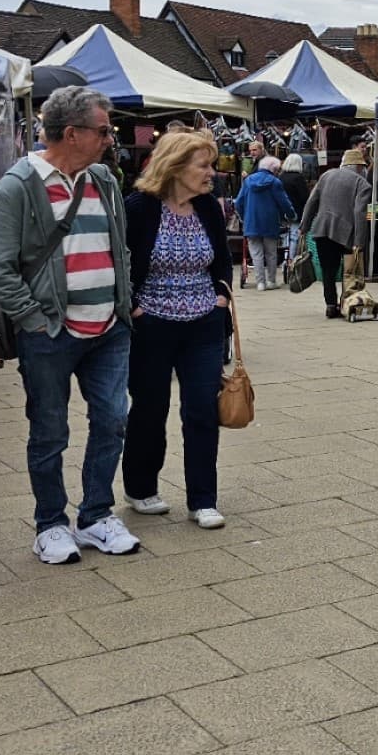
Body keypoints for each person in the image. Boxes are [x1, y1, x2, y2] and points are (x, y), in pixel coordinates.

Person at [0, 85, 143, 565]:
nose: (109, 138)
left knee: (113, 421)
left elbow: (121, 248)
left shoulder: (104, 181)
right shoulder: (18, 185)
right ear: (72, 133)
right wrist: (34, 320)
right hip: (52, 333)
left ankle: (95, 515)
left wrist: (124, 300)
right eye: (102, 130)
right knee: (50, 431)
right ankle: (50, 523)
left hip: (108, 329)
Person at [122, 131, 234, 529]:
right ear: (175, 165)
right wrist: (133, 306)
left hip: (203, 322)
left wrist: (221, 296)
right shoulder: (139, 207)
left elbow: (222, 259)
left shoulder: (208, 208)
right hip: (152, 322)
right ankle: (141, 487)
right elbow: (123, 261)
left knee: (202, 410)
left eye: (211, 165)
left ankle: (203, 499)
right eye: (203, 165)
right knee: (150, 409)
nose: (211, 174)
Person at [301, 148, 371, 319]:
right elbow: (359, 213)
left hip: (322, 230)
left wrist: (304, 226)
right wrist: (359, 241)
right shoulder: (362, 184)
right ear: (358, 167)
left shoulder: (327, 175)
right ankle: (347, 303)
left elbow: (312, 202)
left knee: (328, 271)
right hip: (346, 234)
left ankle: (330, 305)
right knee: (350, 273)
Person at [235, 155, 298, 289]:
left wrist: (243, 216)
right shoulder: (275, 183)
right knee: (271, 253)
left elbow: (239, 202)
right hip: (270, 222)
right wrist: (291, 215)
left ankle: (260, 283)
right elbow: (284, 203)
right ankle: (271, 281)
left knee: (256, 253)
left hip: (251, 221)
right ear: (274, 169)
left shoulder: (248, 181)